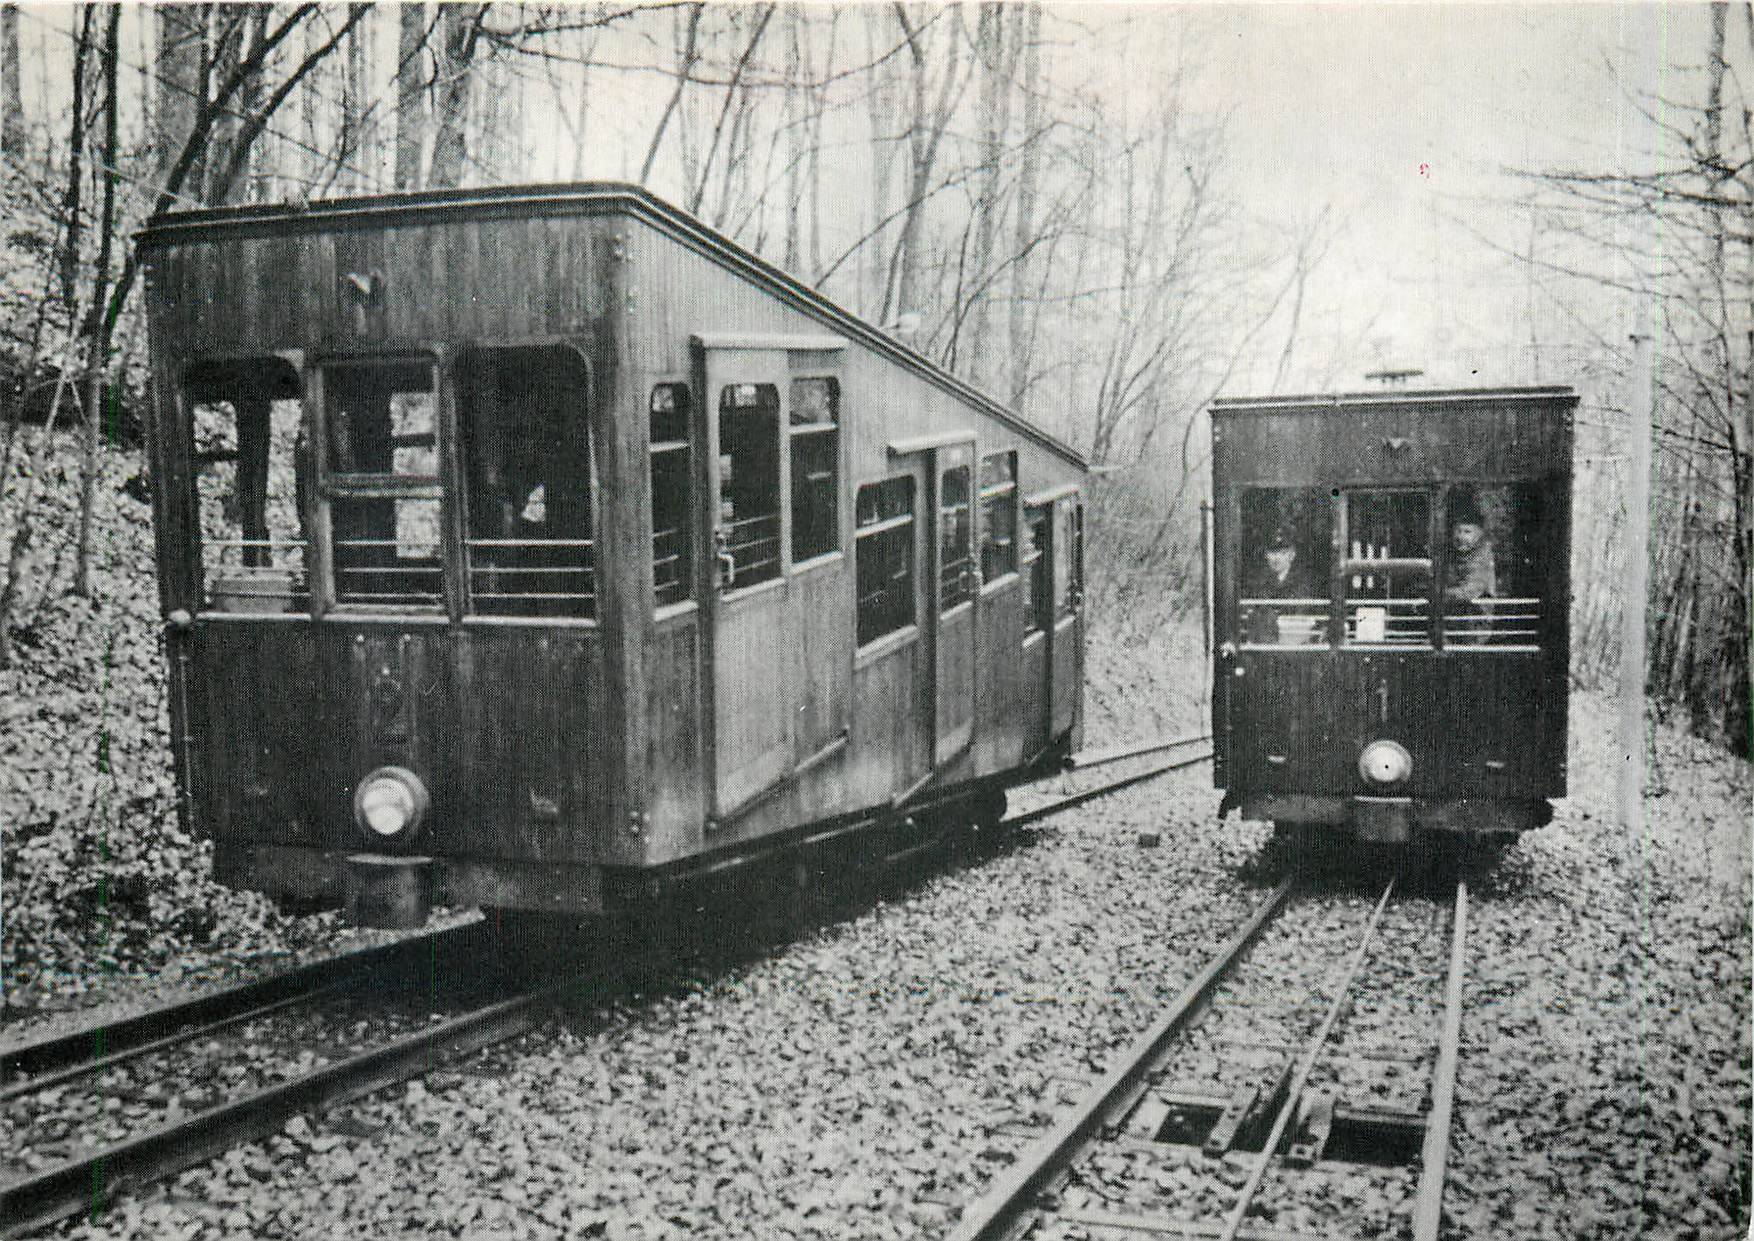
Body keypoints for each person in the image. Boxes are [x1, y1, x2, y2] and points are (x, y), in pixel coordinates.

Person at [1242, 523, 1320, 645]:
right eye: (1272, 553)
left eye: (1282, 553)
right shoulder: (1258, 583)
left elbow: (1303, 614)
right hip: (1265, 645)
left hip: (1296, 643)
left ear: (1292, 555)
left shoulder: (1303, 583)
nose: (1276, 558)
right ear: (1266, 555)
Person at [1444, 501, 1496, 643]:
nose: (1461, 537)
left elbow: (1471, 590)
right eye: (1458, 531)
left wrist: (1440, 595)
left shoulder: (1482, 554)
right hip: (1452, 623)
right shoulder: (1451, 555)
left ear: (1479, 534)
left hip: (1473, 626)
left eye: (1467, 532)